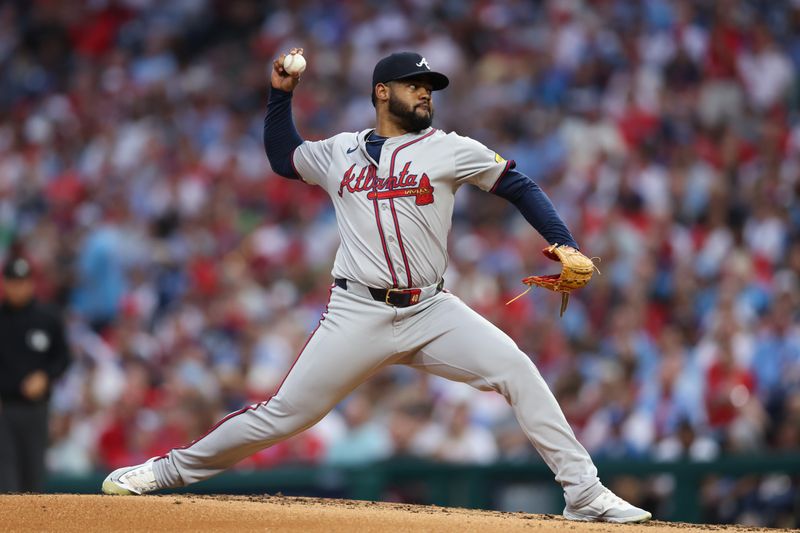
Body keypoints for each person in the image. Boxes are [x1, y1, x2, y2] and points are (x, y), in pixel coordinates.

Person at [102, 49, 651, 523]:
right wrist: (279, 94)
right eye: (416, 86)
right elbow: (281, 155)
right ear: (382, 92)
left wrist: (563, 240)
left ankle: (583, 493)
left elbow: (517, 184)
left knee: (517, 370)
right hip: (356, 312)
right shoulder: (339, 151)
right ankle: (165, 472)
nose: (426, 94)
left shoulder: (449, 147)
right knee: (284, 415)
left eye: (430, 87)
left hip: (432, 309)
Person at [0, 256, 71, 492]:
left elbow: (63, 357)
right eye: (12, 281)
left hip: (36, 409)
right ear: (5, 283)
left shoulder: (47, 318)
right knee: (5, 478)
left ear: (31, 283)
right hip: (3, 408)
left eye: (22, 281)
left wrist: (45, 375)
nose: (17, 287)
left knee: (32, 477)